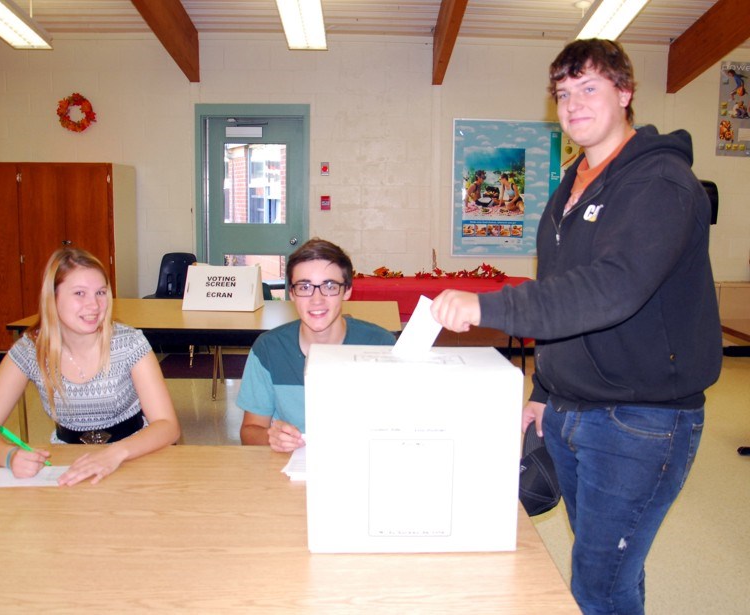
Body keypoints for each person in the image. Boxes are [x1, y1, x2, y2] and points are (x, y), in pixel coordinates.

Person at [430, 39, 722, 614]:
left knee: (599, 580)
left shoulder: (660, 184)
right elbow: (567, 297)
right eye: (563, 93)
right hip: (572, 409)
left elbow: (611, 288)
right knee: (606, 565)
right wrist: (545, 390)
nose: (573, 104)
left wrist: (489, 307)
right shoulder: (571, 186)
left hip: (641, 419)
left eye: (589, 88)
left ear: (625, 93)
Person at [0, 248, 180, 486]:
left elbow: (168, 426)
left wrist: (115, 453)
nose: (94, 305)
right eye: (79, 293)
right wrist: (8, 456)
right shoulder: (32, 350)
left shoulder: (128, 343)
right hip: (68, 462)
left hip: (133, 456)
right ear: (52, 298)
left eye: (100, 292)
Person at [238, 238, 396, 452]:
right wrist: (271, 437)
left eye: (329, 286)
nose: (317, 299)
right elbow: (250, 429)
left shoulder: (381, 345)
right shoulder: (268, 349)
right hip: (291, 468)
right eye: (304, 287)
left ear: (347, 290)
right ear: (292, 293)